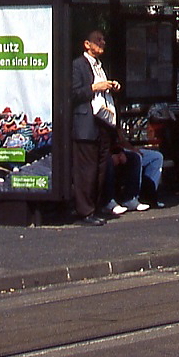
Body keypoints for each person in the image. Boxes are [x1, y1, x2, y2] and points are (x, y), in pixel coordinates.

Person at [70, 29, 120, 226]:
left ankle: (95, 206)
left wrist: (112, 86)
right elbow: (73, 93)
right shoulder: (78, 65)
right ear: (87, 44)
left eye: (103, 40)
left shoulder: (100, 66)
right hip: (85, 123)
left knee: (100, 168)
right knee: (86, 170)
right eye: (98, 40)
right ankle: (84, 211)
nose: (102, 43)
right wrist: (94, 88)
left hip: (103, 123)